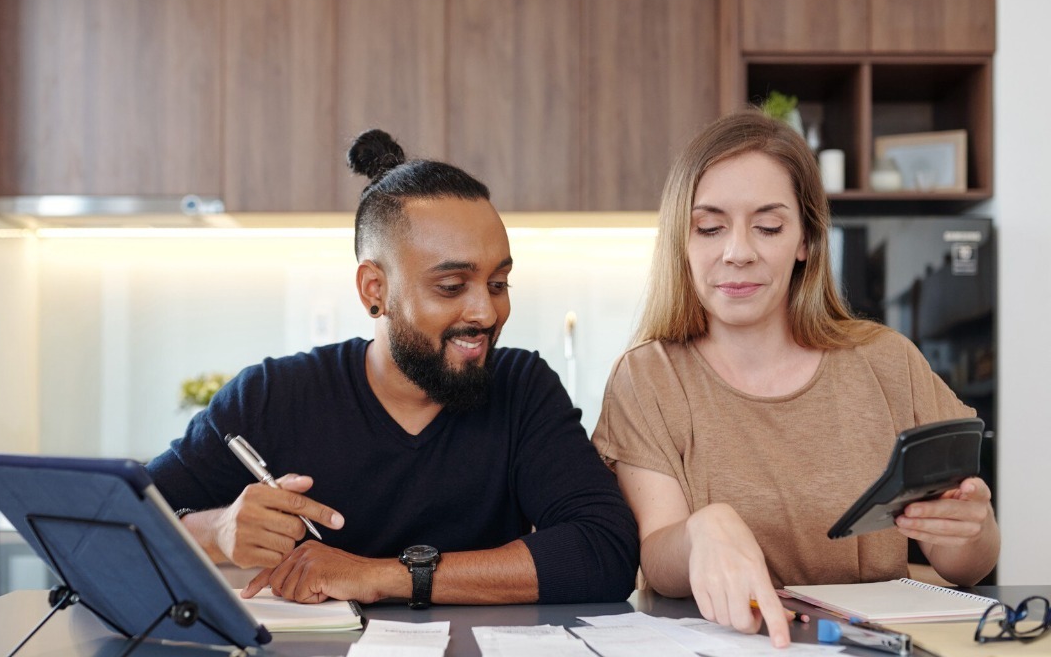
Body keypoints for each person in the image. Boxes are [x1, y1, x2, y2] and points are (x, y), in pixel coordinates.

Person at [148, 129, 640, 607]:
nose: (487, 314)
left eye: (497, 283)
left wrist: (379, 576)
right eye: (451, 286)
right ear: (374, 290)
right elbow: (103, 526)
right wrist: (217, 532)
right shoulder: (272, 395)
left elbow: (604, 551)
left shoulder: (522, 388)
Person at [591, 111, 1000, 647]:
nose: (738, 251)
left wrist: (972, 526)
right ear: (681, 242)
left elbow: (967, 568)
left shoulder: (887, 361)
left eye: (768, 226)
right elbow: (659, 564)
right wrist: (700, 531)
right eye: (709, 227)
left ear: (806, 239)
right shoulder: (648, 377)